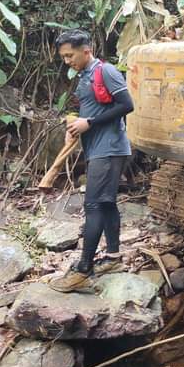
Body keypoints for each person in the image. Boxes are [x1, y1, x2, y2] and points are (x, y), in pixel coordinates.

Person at [49, 29, 134, 293]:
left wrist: (90, 123)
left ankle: (83, 270)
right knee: (106, 204)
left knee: (93, 205)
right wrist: (75, 123)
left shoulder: (105, 71)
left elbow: (126, 104)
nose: (67, 61)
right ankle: (113, 258)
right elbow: (91, 108)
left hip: (109, 149)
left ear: (86, 50)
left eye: (69, 55)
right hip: (98, 148)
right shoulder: (85, 74)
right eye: (63, 57)